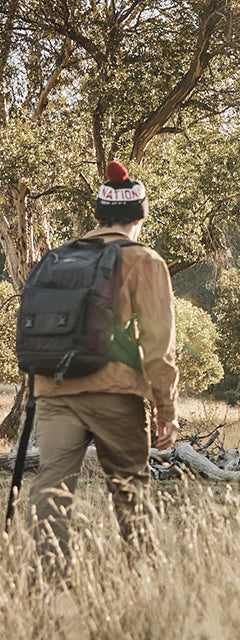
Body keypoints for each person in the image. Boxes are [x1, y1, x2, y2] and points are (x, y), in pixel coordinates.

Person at [26, 161, 179, 570]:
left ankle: (48, 579)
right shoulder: (143, 260)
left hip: (54, 389)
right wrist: (166, 410)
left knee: (51, 488)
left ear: (99, 215)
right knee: (130, 488)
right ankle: (142, 575)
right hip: (115, 391)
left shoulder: (58, 257)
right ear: (139, 218)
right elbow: (158, 344)